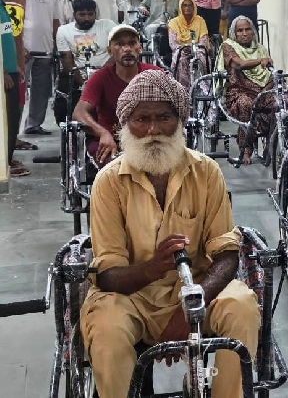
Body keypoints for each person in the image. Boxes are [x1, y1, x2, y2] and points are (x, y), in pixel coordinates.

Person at [80, 68, 259, 398]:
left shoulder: (206, 172)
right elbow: (107, 275)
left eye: (164, 118)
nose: (153, 130)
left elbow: (226, 254)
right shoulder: (108, 183)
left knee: (242, 306)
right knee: (106, 328)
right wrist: (153, 268)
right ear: (125, 124)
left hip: (197, 289)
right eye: (141, 119)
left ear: (179, 121)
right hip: (131, 298)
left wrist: (191, 307)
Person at [73, 24, 160, 167]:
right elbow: (79, 113)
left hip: (147, 138)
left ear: (140, 48)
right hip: (111, 140)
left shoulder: (155, 74)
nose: (127, 49)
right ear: (110, 50)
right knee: (115, 169)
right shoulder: (100, 77)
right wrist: (102, 133)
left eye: (132, 43)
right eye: (119, 44)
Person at [219, 15, 274, 165]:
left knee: (278, 104)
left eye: (248, 29)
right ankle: (246, 150)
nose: (244, 33)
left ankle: (271, 147)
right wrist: (260, 61)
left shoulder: (260, 49)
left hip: (261, 91)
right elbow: (239, 64)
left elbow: (270, 73)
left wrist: (266, 90)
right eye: (240, 30)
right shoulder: (228, 47)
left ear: (253, 31)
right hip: (238, 92)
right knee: (246, 104)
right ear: (234, 33)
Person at [55, 0, 116, 124]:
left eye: (90, 14)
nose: (87, 18)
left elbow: (117, 53)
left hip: (107, 75)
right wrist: (84, 83)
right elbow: (67, 62)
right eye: (82, 14)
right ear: (74, 15)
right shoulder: (64, 31)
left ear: (95, 14)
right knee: (64, 108)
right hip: (78, 77)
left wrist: (99, 78)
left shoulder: (108, 25)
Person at [19, 0, 61, 136]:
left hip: (45, 50)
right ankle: (14, 131)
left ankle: (33, 125)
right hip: (24, 50)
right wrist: (19, 46)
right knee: (20, 92)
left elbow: (55, 21)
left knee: (41, 90)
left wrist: (56, 45)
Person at [1, 0, 35, 153]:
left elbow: (16, 32)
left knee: (16, 109)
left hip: (15, 62)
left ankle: (11, 150)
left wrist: (19, 58)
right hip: (4, 68)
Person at [0, 0, 27, 176]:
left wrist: (16, 65)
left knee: (12, 119)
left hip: (11, 71)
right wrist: (2, 72)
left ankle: (6, 161)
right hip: (4, 75)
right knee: (5, 122)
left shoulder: (3, 6)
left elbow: (7, 38)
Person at [168, 0, 210, 88]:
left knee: (201, 57)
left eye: (190, 5)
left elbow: (204, 39)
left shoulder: (200, 20)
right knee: (181, 59)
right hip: (181, 50)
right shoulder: (174, 22)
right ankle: (182, 88)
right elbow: (173, 43)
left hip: (197, 49)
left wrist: (196, 49)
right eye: (185, 5)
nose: (187, 8)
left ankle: (203, 87)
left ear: (194, 7)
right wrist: (183, 49)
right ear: (180, 7)